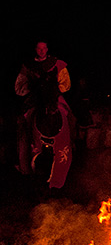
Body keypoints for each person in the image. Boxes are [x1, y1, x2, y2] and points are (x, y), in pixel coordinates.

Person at [14, 40, 73, 178]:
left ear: (47, 49)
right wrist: (33, 89)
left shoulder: (57, 64)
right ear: (36, 49)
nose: (42, 51)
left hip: (54, 96)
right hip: (35, 98)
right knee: (23, 121)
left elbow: (66, 83)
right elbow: (19, 86)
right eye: (39, 49)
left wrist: (53, 90)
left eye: (44, 48)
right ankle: (23, 163)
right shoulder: (28, 66)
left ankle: (73, 146)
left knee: (70, 116)